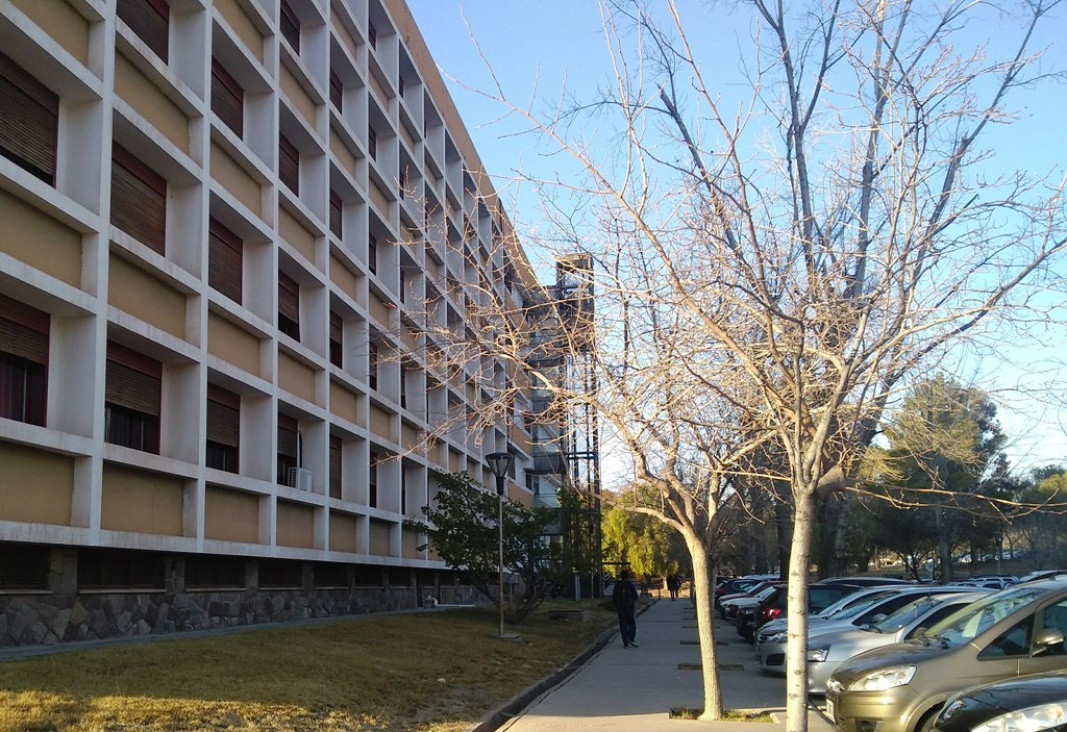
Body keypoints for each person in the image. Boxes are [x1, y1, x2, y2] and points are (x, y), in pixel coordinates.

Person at [612, 570, 639, 647]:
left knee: (623, 624)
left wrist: (617, 605)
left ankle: (625, 642)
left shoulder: (617, 585)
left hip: (620, 608)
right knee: (632, 624)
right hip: (629, 608)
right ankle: (631, 638)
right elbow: (636, 597)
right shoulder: (630, 585)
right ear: (628, 576)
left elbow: (614, 597)